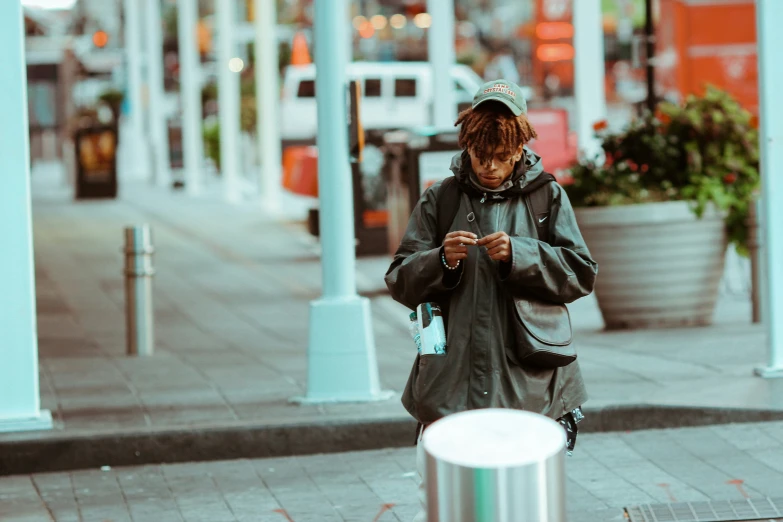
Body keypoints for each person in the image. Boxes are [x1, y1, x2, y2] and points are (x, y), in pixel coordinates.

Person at [384, 79, 598, 521]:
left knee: (523, 502)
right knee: (445, 499)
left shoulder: (547, 196)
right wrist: (440, 259)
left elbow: (581, 273)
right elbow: (400, 281)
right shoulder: (440, 198)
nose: (490, 166)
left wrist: (521, 254)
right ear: (468, 144)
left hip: (530, 385)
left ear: (520, 147)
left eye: (502, 156)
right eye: (482, 154)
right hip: (450, 382)